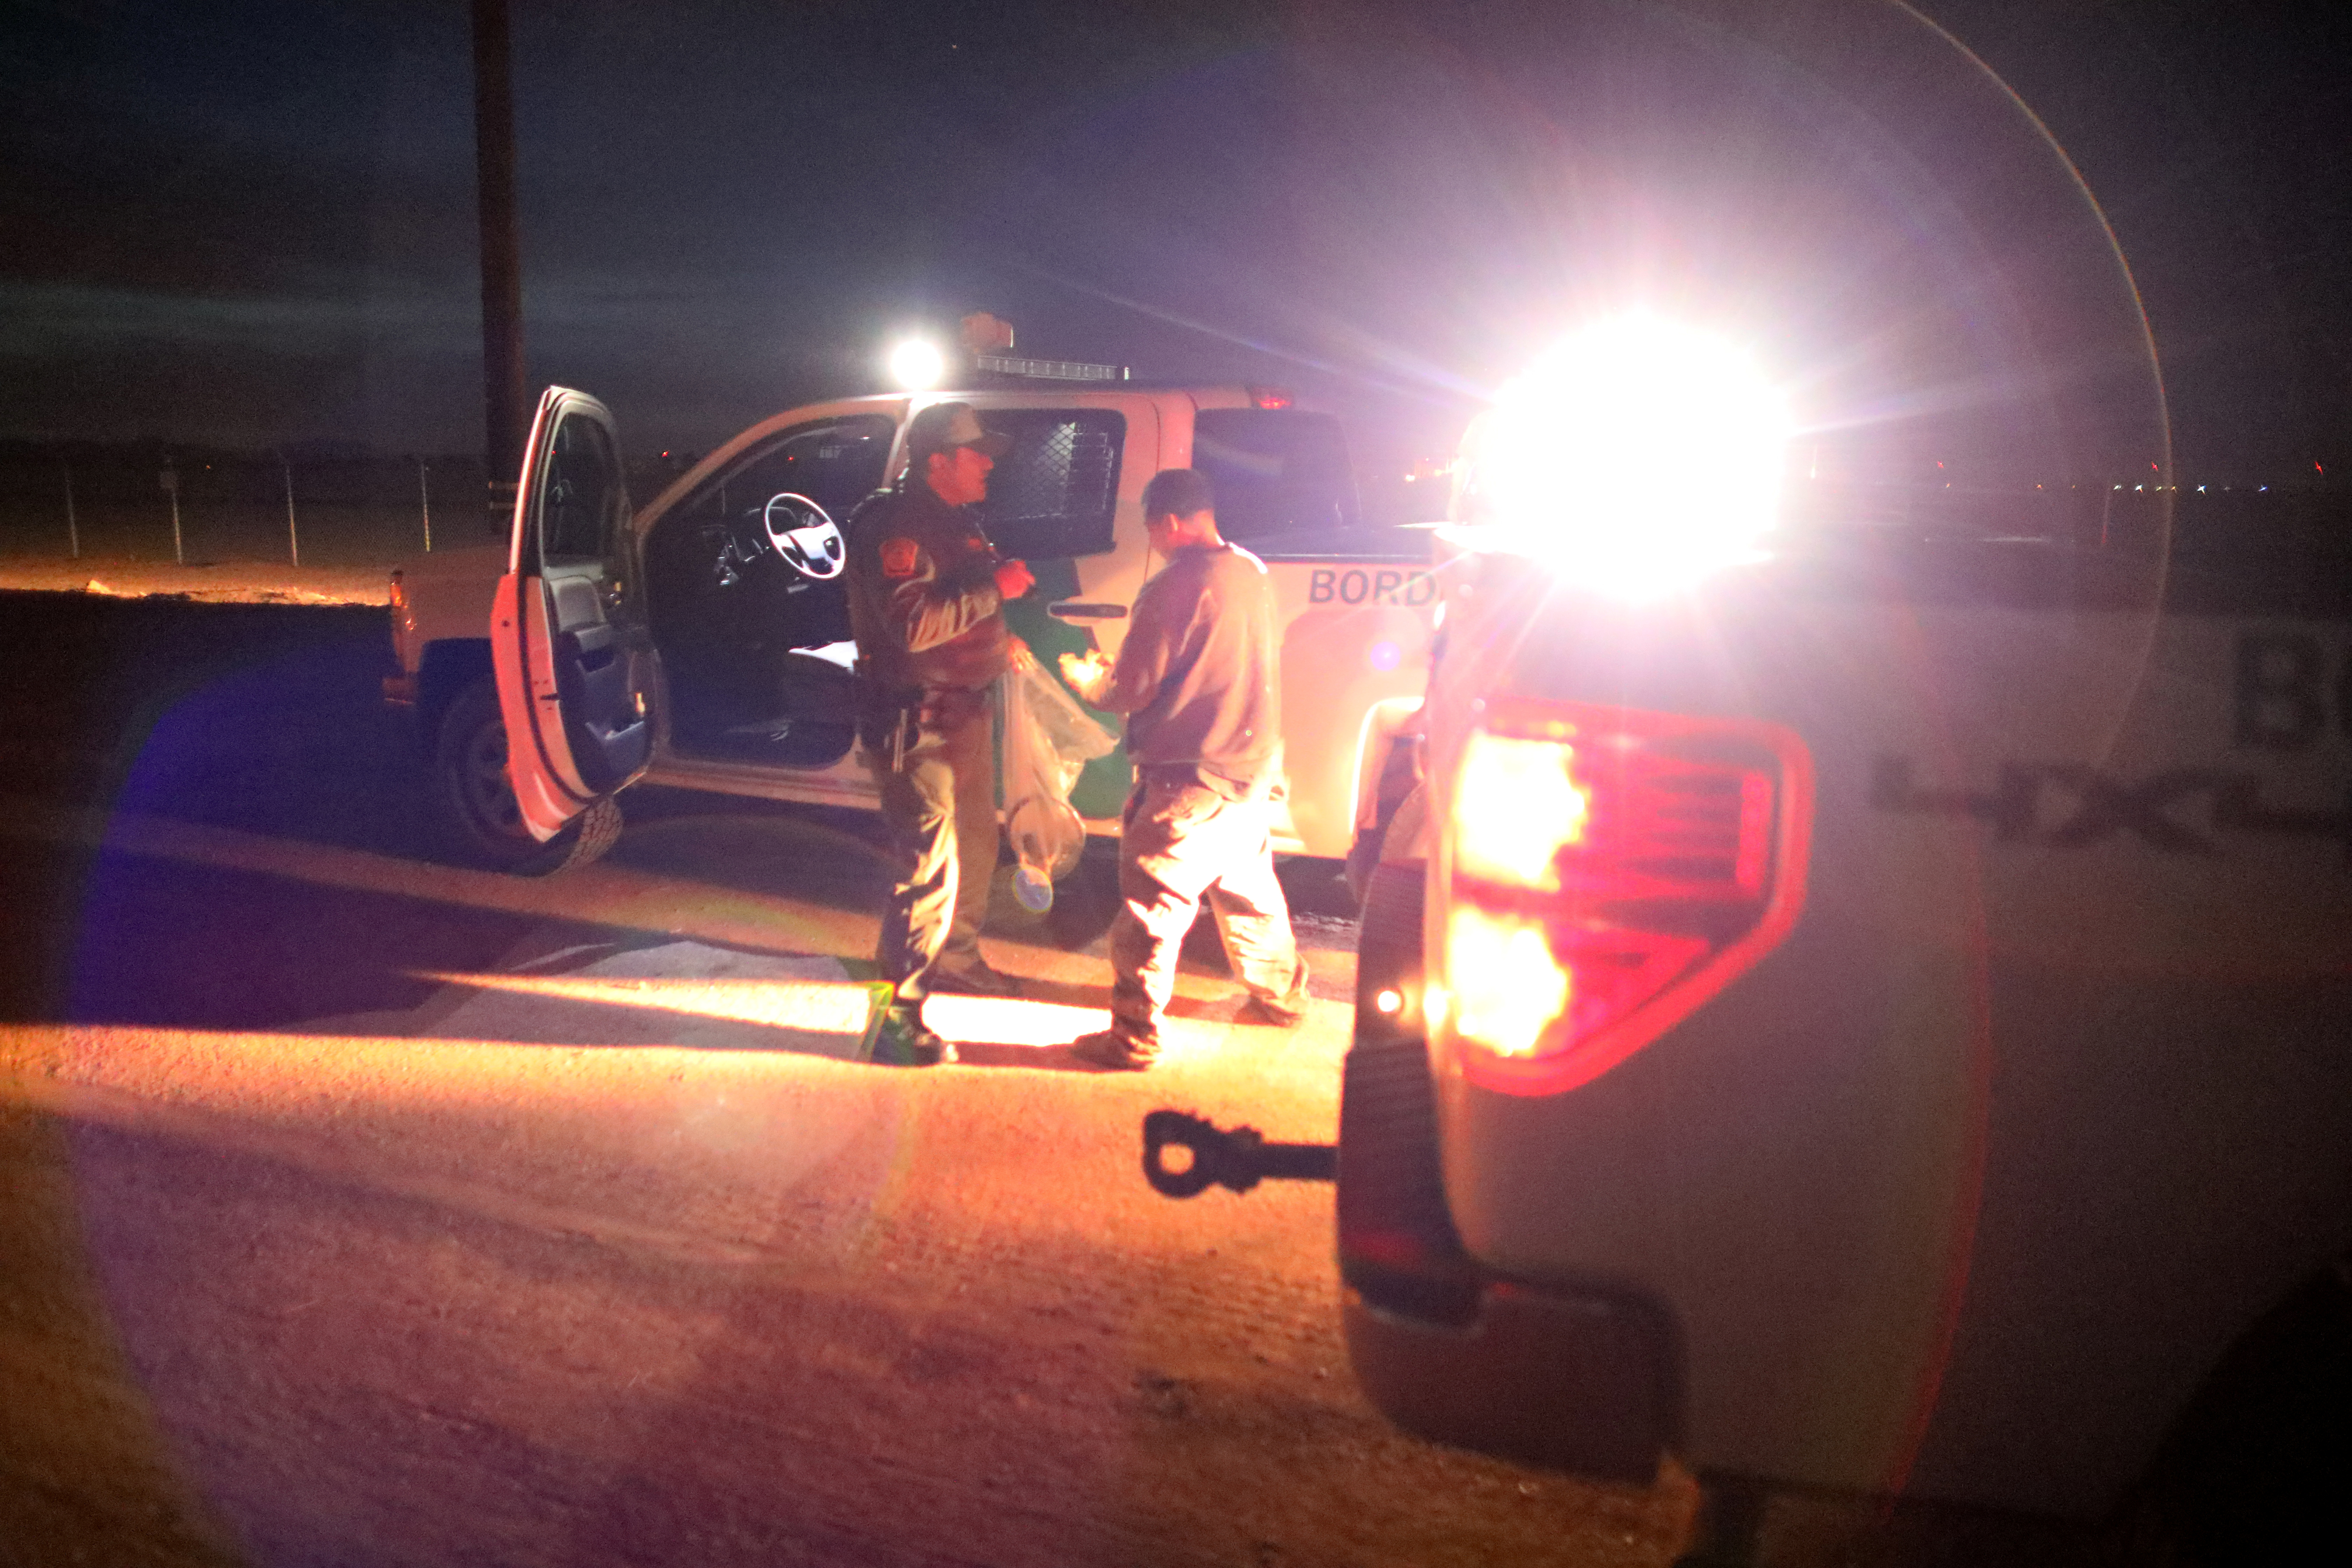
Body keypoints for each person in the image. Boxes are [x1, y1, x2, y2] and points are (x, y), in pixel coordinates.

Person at [1057, 468, 1309, 1071]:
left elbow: (1132, 687)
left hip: (1189, 778)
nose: (1156, 542)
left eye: (1152, 531)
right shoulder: (1250, 569)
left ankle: (1134, 1037)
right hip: (1247, 770)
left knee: (1151, 912)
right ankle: (1284, 999)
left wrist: (1088, 679)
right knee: (1251, 897)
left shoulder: (1176, 585)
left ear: (1169, 523)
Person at [844, 401, 1036, 1066]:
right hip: (917, 724)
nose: (988, 463)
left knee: (976, 848)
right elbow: (915, 627)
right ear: (938, 462)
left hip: (961, 716)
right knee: (925, 871)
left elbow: (958, 599)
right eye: (976, 453)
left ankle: (953, 960)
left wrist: (996, 641)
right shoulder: (897, 525)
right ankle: (891, 1022)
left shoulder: (951, 519)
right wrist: (997, 594)